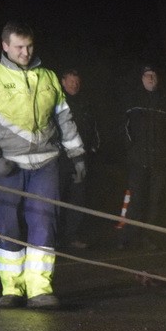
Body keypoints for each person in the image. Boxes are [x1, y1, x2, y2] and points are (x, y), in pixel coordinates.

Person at [0, 22, 86, 309]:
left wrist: (78, 155)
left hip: (46, 163)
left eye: (29, 46)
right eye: (19, 47)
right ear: (5, 46)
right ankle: (12, 289)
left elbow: (64, 119)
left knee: (44, 223)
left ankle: (40, 289)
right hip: (7, 166)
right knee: (8, 226)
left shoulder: (48, 77)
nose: (25, 52)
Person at [119, 65, 166, 249]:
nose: (151, 79)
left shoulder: (165, 102)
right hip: (138, 161)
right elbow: (124, 129)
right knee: (136, 199)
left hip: (160, 161)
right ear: (141, 78)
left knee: (155, 201)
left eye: (154, 75)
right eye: (148, 75)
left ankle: (148, 238)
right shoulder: (133, 101)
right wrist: (131, 150)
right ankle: (128, 237)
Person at [58, 69, 100, 250]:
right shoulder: (56, 102)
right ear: (62, 82)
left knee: (78, 199)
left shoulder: (86, 103)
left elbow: (95, 129)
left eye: (76, 81)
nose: (73, 85)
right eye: (70, 81)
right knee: (57, 198)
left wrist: (93, 148)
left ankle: (72, 236)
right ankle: (54, 237)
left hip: (81, 160)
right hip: (59, 159)